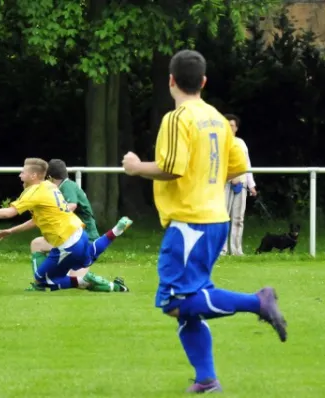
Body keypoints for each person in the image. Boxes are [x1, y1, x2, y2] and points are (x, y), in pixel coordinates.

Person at [121, 50, 287, 393]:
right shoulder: (215, 118)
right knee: (188, 306)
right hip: (215, 217)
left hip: (190, 221)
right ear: (204, 81)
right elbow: (239, 165)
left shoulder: (178, 118)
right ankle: (206, 378)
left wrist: (136, 167)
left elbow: (171, 168)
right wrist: (209, 179)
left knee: (174, 302)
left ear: (171, 81)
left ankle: (258, 302)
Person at [0, 158, 132, 292]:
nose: (19, 175)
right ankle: (115, 286)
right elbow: (37, 220)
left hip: (67, 241)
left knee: (44, 278)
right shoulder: (49, 186)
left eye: (23, 172)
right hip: (79, 233)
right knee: (87, 255)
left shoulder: (34, 192)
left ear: (33, 176)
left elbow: (9, 212)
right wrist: (11, 231)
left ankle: (82, 280)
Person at [29, 159, 102, 280]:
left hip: (87, 239)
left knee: (76, 280)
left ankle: (111, 286)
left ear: (50, 177)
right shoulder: (59, 188)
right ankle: (40, 283)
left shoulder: (67, 186)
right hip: (71, 238)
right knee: (37, 244)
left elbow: (72, 205)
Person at [221, 114, 256, 256]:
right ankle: (222, 250)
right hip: (224, 184)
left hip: (240, 184)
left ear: (236, 128)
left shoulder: (241, 143)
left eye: (232, 126)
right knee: (222, 217)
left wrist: (251, 185)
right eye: (227, 126)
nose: (229, 128)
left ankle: (236, 250)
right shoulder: (218, 143)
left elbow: (247, 164)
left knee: (238, 218)